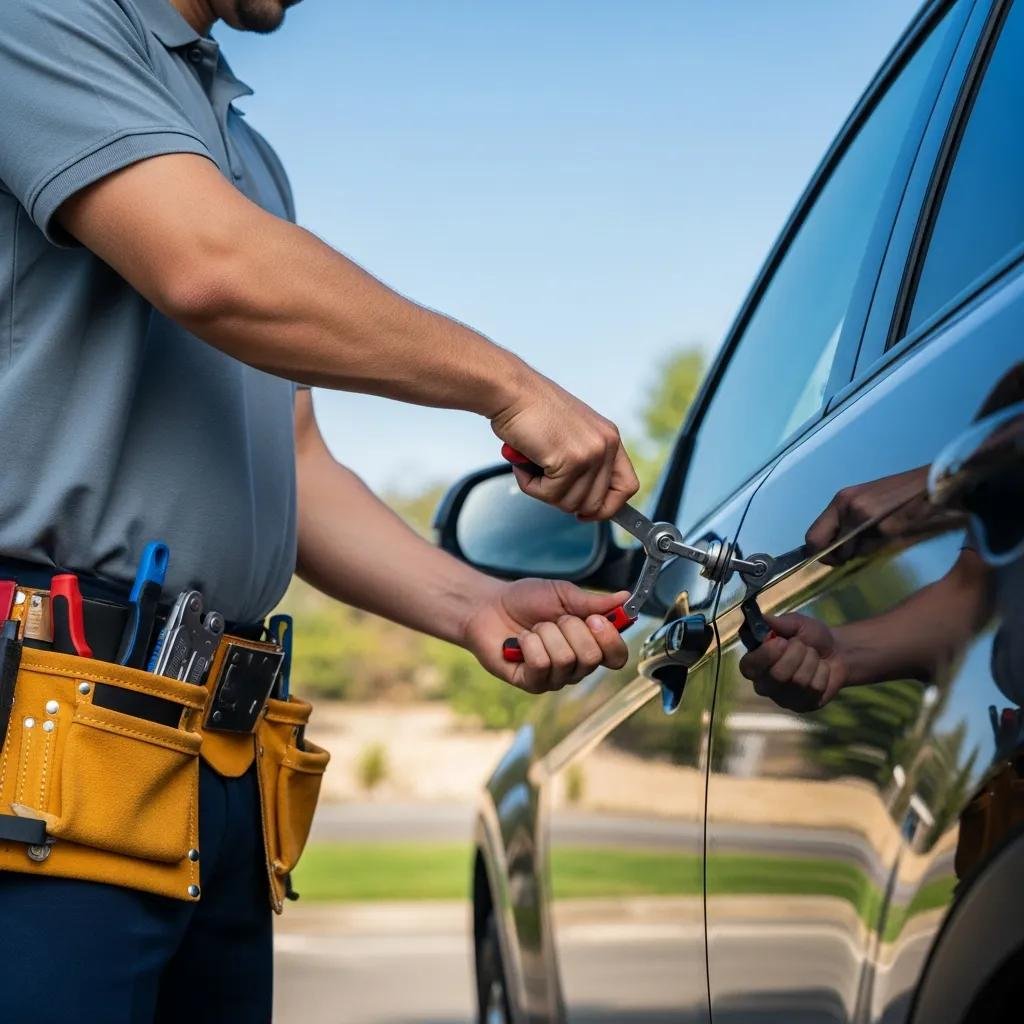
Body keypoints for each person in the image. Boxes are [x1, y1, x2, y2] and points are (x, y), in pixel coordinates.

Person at [0, 1, 639, 1020]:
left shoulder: (242, 153)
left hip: (212, 759)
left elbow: (296, 462)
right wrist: (508, 386)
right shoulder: (35, 21)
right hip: (39, 737)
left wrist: (473, 603)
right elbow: (211, 268)